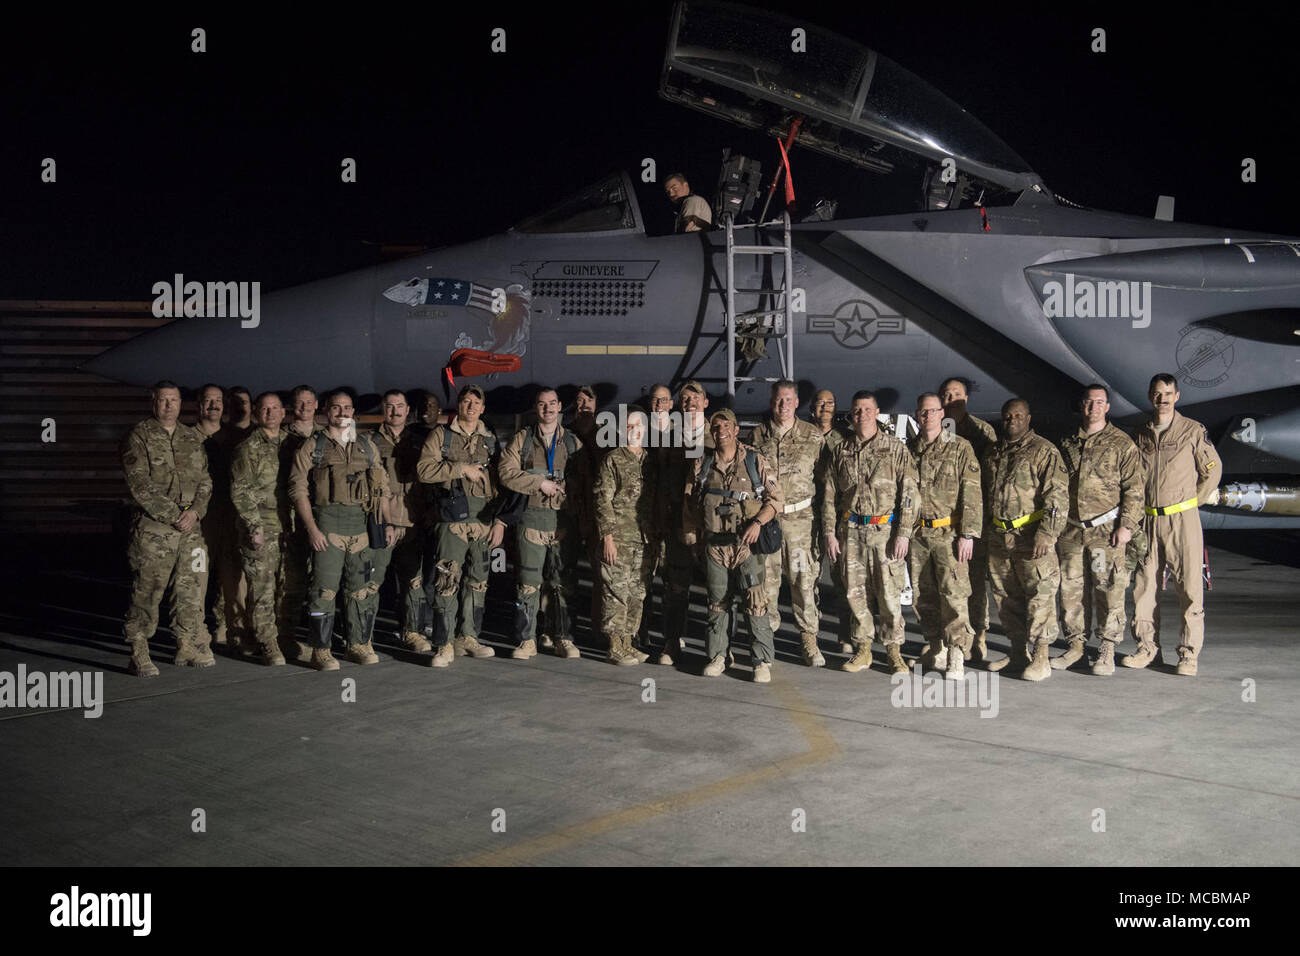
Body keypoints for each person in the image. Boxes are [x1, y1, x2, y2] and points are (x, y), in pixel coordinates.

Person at [1128, 373, 1222, 676]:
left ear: (1177, 396)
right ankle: (1146, 649)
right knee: (1144, 587)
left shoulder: (1191, 430)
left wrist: (1194, 500)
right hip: (1148, 519)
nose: (1162, 399)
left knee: (1190, 587)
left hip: (1182, 520)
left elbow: (1213, 469)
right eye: (1157, 393)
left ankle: (1188, 654)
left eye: (1168, 393)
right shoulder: (1141, 434)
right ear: (1149, 396)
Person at [288, 389, 389, 670]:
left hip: (360, 526)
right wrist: (312, 529)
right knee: (324, 591)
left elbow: (382, 488)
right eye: (336, 408)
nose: (342, 413)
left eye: (347, 408)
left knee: (360, 590)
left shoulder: (367, 446)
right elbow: (298, 489)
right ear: (326, 412)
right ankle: (321, 649)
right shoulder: (313, 446)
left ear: (353, 412)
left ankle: (357, 644)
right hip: (327, 525)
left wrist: (386, 525)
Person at [120, 381, 214, 676]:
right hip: (155, 530)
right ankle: (138, 649)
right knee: (148, 590)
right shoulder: (139, 436)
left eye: (173, 400)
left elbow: (206, 481)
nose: (169, 406)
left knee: (190, 588)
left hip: (191, 530)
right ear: (153, 402)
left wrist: (196, 512)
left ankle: (185, 643)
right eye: (163, 400)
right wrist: (176, 515)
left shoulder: (190, 438)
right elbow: (139, 485)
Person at [820, 391, 917, 675]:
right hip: (851, 530)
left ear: (876, 413)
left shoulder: (895, 449)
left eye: (866, 409)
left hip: (885, 532)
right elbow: (828, 496)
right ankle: (863, 650)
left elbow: (909, 495)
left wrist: (904, 534)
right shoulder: (840, 450)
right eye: (856, 410)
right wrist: (829, 533)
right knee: (855, 593)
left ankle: (894, 652)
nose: (861, 414)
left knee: (888, 593)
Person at [684, 408, 784, 682]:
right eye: (716, 428)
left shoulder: (754, 460)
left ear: (736, 430)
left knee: (755, 601)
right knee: (717, 602)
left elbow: (776, 500)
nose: (721, 432)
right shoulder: (702, 464)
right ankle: (718, 655)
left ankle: (761, 661)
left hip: (746, 545)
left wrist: (758, 523)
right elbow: (689, 504)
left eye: (726, 426)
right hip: (715, 546)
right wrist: (692, 537)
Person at [1053, 384, 1144, 676]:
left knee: (1107, 588)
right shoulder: (1067, 442)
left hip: (1105, 533)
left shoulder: (1121, 443)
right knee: (1071, 590)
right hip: (1071, 531)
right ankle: (1076, 646)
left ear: (1107, 407)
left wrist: (1127, 526)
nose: (1093, 407)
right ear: (1082, 405)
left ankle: (1107, 649)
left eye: (1100, 402)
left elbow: (1134, 489)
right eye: (1089, 402)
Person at [417, 384, 505, 666]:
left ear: (483, 408)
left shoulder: (490, 440)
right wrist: (460, 469)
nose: (470, 406)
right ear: (458, 405)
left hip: (482, 520)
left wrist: (499, 521)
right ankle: (443, 644)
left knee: (478, 581)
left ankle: (467, 637)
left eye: (475, 402)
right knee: (447, 579)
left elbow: (501, 481)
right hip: (451, 521)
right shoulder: (441, 436)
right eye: (465, 401)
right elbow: (423, 470)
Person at [982, 399, 1068, 681]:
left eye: (1018, 416)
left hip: (1031, 538)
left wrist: (1048, 532)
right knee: (1006, 598)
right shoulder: (994, 452)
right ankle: (1018, 653)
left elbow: (1057, 496)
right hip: (999, 537)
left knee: (1040, 595)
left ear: (1029, 418)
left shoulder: (1043, 451)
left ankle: (1041, 656)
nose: (1012, 420)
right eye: (1007, 416)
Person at [498, 386, 584, 660]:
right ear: (536, 408)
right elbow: (505, 472)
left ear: (560, 407)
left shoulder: (572, 442)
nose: (547, 408)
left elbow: (586, 480)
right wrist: (539, 483)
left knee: (562, 583)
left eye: (552, 403)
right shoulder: (522, 439)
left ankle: (563, 638)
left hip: (562, 522)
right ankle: (526, 640)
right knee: (528, 583)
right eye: (542, 404)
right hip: (531, 520)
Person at [749, 380, 827, 666]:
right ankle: (766, 640)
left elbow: (823, 481)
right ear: (772, 402)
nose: (784, 405)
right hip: (769, 521)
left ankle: (809, 640)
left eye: (789, 400)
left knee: (802, 582)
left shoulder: (812, 436)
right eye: (779, 400)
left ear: (797, 403)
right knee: (766, 583)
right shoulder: (758, 436)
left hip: (800, 524)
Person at [906, 392, 982, 681]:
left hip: (949, 534)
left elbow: (972, 494)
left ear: (942, 414)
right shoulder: (910, 450)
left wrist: (968, 534)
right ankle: (935, 646)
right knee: (922, 595)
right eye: (922, 412)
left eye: (933, 411)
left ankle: (956, 653)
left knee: (954, 595)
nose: (927, 417)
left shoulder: (960, 448)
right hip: (918, 533)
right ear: (917, 415)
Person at [229, 391, 291, 665]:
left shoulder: (293, 443)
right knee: (262, 588)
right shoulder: (247, 448)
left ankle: (283, 637)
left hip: (289, 527)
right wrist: (254, 526)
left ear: (283, 413)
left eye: (275, 408)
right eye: (264, 409)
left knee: (286, 587)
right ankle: (267, 643)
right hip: (261, 529)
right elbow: (240, 491)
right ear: (256, 413)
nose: (270, 413)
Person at [939, 377, 998, 664]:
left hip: (975, 522)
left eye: (957, 394)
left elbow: (989, 477)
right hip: (943, 524)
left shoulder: (981, 431)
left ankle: (978, 635)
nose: (952, 399)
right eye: (947, 395)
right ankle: (945, 640)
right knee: (947, 584)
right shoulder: (938, 429)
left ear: (967, 398)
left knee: (973, 582)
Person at [655, 380, 713, 665]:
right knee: (676, 586)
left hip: (711, 524)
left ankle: (719, 648)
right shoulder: (670, 438)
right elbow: (661, 480)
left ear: (706, 402)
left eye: (695, 398)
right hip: (678, 522)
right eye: (685, 399)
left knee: (719, 588)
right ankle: (671, 641)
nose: (690, 403)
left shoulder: (719, 435)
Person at [370, 389, 430, 654]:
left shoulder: (421, 441)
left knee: (413, 581)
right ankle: (362, 637)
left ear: (408, 411)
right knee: (370, 583)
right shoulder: (368, 442)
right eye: (389, 406)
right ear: (383, 410)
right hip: (382, 521)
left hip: (413, 520)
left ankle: (412, 632)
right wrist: (385, 523)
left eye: (400, 406)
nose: (394, 411)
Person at [193, 383, 251, 654]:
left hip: (231, 516)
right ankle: (195, 637)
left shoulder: (236, 438)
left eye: (218, 401)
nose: (214, 406)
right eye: (208, 401)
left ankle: (234, 633)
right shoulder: (187, 437)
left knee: (235, 579)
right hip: (200, 521)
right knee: (196, 578)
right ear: (199, 405)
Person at [594, 410, 655, 665]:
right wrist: (607, 536)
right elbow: (602, 499)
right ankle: (615, 644)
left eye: (638, 425)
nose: (634, 429)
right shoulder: (613, 459)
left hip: (645, 539)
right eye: (629, 425)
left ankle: (628, 641)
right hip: (619, 536)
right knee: (615, 590)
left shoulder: (650, 461)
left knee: (637, 592)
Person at [277, 385, 320, 660]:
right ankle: (285, 637)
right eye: (298, 403)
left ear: (316, 405)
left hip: (325, 519)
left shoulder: (328, 437)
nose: (304, 407)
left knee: (322, 583)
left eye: (308, 402)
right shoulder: (279, 438)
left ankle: (320, 639)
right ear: (292, 407)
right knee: (291, 583)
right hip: (290, 520)